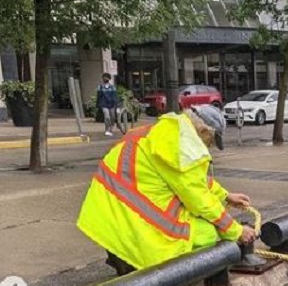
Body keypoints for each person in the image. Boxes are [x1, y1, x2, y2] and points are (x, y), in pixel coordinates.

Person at [77, 104, 257, 275]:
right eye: (211, 141)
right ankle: (168, 274)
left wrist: (225, 196)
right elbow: (199, 199)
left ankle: (122, 257)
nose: (209, 147)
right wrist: (237, 231)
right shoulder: (184, 146)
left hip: (109, 209)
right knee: (206, 234)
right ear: (203, 131)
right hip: (130, 218)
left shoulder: (169, 131)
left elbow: (192, 180)